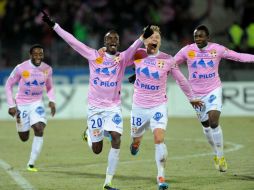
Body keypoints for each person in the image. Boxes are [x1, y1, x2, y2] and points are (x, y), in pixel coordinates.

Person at [42, 11, 153, 190]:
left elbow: (135, 46)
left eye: (116, 39)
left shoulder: (122, 59)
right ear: (104, 42)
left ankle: (108, 182)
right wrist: (54, 25)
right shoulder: (94, 55)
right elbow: (73, 41)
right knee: (97, 149)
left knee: (117, 138)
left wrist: (143, 36)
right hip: (95, 108)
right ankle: (89, 134)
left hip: (113, 107)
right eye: (110, 39)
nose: (113, 41)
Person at [128, 25, 203, 190]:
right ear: (144, 39)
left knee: (159, 138)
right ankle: (135, 143)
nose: (155, 39)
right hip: (139, 106)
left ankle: (161, 176)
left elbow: (181, 80)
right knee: (136, 137)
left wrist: (192, 98)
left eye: (158, 37)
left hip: (158, 106)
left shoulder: (168, 59)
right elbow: (120, 62)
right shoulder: (137, 54)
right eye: (151, 36)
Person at [174, 24, 254, 172]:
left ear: (207, 37)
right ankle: (215, 153)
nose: (198, 38)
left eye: (201, 36)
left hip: (213, 90)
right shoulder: (187, 50)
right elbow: (171, 64)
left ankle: (221, 156)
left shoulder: (217, 49)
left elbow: (239, 56)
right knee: (205, 125)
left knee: (213, 121)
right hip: (195, 93)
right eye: (196, 36)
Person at [5, 44, 56, 172]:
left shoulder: (47, 69)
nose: (38, 56)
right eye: (35, 54)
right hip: (21, 104)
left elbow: (49, 87)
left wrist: (52, 100)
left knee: (39, 128)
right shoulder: (21, 68)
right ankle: (20, 122)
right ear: (30, 55)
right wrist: (11, 105)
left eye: (41, 54)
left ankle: (31, 163)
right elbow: (8, 85)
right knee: (24, 137)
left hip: (36, 103)